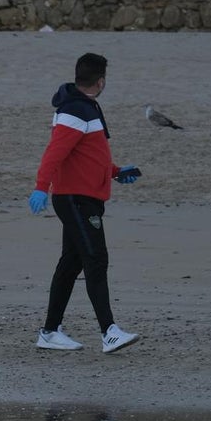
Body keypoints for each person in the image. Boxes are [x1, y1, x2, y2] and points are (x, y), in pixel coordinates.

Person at [28, 52, 140, 353]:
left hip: (84, 196)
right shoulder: (75, 110)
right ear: (101, 81)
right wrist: (41, 187)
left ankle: (50, 333)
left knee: (72, 262)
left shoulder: (86, 107)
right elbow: (54, 153)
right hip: (75, 199)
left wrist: (116, 172)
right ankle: (109, 333)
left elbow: (89, 154)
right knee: (96, 258)